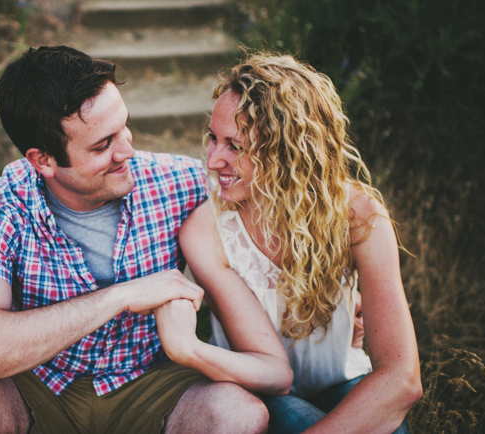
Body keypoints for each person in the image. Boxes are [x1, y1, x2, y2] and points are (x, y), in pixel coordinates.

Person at [0, 46, 291, 434]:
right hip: (37, 386)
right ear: (44, 160)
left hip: (153, 386)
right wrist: (119, 297)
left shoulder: (179, 184)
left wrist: (349, 281)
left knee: (239, 413)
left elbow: (288, 193)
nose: (128, 150)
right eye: (103, 145)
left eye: (124, 126)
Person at [156, 52, 422, 433]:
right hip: (262, 393)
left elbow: (402, 378)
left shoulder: (359, 215)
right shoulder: (208, 230)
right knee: (292, 416)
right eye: (213, 138)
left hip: (345, 381)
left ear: (287, 150)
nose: (213, 159)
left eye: (235, 145)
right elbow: (273, 373)